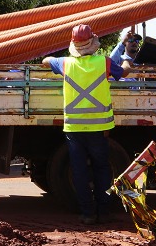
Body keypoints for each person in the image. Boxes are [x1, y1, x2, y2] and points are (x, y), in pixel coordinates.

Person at [43, 24, 135, 225]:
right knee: (102, 168)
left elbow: (46, 60)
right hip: (99, 129)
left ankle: (87, 214)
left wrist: (50, 60)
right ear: (93, 43)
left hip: (74, 129)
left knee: (79, 171)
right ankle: (104, 211)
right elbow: (125, 72)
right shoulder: (104, 63)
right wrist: (128, 58)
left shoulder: (65, 64)